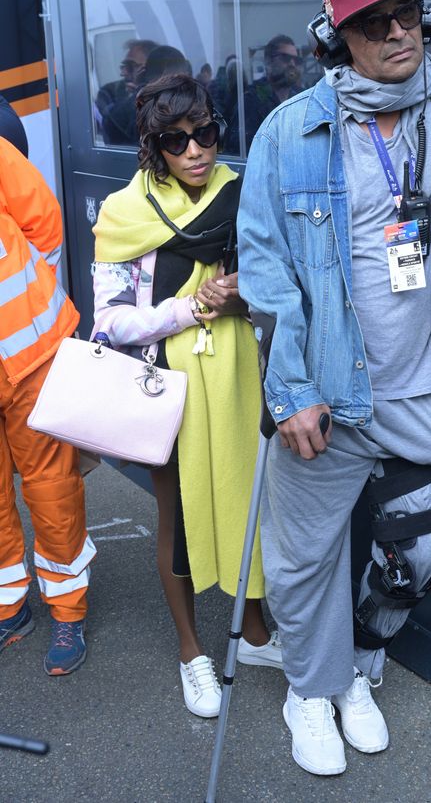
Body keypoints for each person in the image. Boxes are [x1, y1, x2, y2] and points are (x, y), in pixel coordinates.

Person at [237, 0, 431, 776]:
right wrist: (294, 389)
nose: (397, 33)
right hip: (328, 391)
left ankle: (358, 669)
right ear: (335, 38)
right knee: (306, 560)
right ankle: (311, 691)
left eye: (408, 14)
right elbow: (266, 265)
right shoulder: (291, 130)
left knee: (412, 554)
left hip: (422, 386)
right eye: (372, 23)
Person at [92, 73, 282, 719]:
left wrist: (246, 297)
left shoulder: (245, 191)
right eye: (177, 140)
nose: (197, 150)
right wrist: (189, 307)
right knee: (175, 516)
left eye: (205, 132)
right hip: (164, 383)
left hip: (239, 377)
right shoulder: (123, 213)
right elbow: (109, 318)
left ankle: (254, 633)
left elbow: (281, 286)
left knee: (247, 499)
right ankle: (189, 648)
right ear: (153, 147)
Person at [0, 137, 95, 675]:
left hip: (28, 352)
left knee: (51, 489)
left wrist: (33, 298)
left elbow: (44, 224)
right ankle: (9, 607)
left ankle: (67, 610)